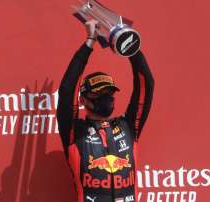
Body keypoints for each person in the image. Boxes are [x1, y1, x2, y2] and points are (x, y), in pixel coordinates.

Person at [57, 19, 154, 202]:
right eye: (100, 94)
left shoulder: (128, 127)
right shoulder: (74, 133)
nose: (106, 98)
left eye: (109, 93)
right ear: (84, 100)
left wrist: (130, 46)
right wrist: (90, 41)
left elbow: (146, 84)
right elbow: (67, 90)